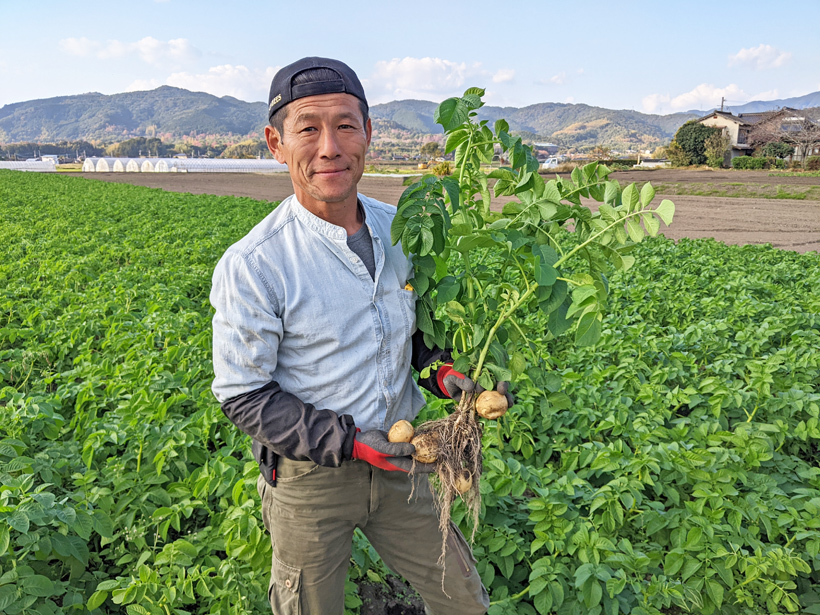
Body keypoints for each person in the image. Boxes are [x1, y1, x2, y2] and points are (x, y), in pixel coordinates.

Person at [210, 57, 509, 615]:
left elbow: (411, 339)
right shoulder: (255, 263)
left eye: (346, 125)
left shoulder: (402, 231)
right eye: (309, 128)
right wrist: (349, 441)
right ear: (277, 143)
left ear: (369, 134)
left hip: (405, 459)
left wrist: (443, 375)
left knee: (464, 600)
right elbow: (242, 396)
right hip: (310, 481)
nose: (330, 146)